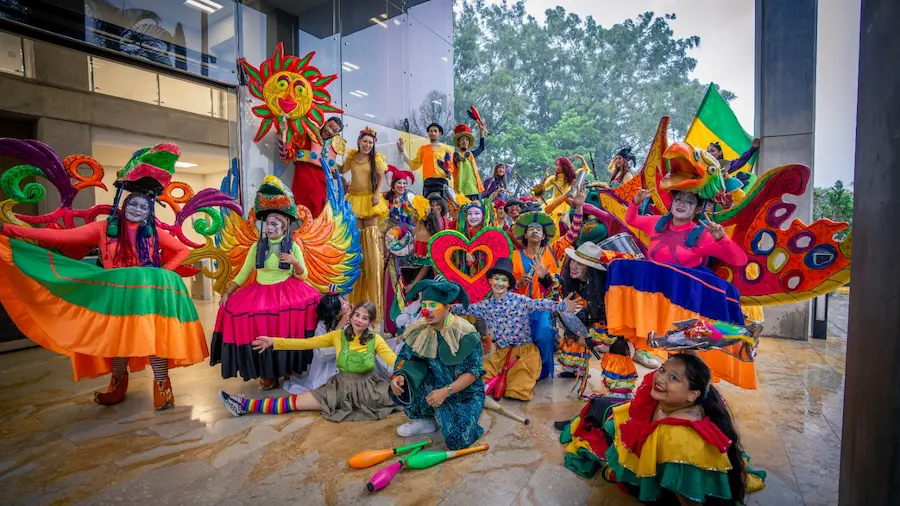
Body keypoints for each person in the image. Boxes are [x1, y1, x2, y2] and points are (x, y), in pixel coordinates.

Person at [0, 142, 207, 410]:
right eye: (134, 204)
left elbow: (182, 250)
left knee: (155, 338)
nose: (138, 210)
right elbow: (58, 237)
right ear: (124, 204)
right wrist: (9, 230)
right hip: (115, 293)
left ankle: (162, 386)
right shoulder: (103, 228)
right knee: (117, 340)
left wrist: (163, 272)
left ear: (149, 212)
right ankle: (117, 384)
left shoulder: (153, 232)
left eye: (144, 207)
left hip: (149, 294)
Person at [560, 355, 766, 503]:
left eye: (673, 378)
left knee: (594, 414)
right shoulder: (678, 397)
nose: (660, 378)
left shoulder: (679, 440)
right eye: (663, 369)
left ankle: (580, 421)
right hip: (627, 426)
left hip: (642, 462)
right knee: (599, 406)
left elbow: (689, 497)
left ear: (693, 394)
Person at [607, 185, 752, 388]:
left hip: (685, 302)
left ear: (697, 209)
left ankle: (700, 388)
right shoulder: (657, 223)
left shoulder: (701, 235)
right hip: (659, 297)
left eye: (689, 201)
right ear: (671, 203)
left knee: (687, 351)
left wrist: (722, 238)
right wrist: (636, 201)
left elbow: (739, 260)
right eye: (678, 199)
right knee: (668, 347)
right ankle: (674, 388)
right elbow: (631, 219)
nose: (682, 204)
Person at [212, 176, 322, 389]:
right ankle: (267, 372)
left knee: (290, 323)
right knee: (243, 315)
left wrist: (294, 262)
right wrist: (228, 292)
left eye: (274, 224)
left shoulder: (293, 246)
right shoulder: (257, 247)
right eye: (267, 223)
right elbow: (244, 273)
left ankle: (288, 367)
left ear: (284, 226)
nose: (269, 227)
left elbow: (303, 275)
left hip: (288, 291)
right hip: (261, 292)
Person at [219, 302, 401, 422]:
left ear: (370, 322)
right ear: (351, 316)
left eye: (365, 318)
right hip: (338, 390)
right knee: (291, 403)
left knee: (405, 396)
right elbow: (305, 343)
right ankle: (243, 405)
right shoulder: (337, 336)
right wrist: (274, 341)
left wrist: (396, 377)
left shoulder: (375, 340)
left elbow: (393, 360)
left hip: (370, 390)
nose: (359, 320)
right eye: (357, 315)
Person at [452, 258, 583, 401]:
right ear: (490, 281)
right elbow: (466, 309)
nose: (499, 283)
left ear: (509, 284)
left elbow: (540, 304)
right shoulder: (485, 306)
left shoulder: (520, 300)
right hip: (501, 354)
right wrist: (447, 307)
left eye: (504, 280)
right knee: (475, 377)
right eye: (496, 279)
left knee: (516, 389)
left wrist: (562, 306)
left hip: (524, 354)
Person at [390, 281, 484, 449]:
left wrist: (445, 392)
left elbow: (473, 372)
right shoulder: (421, 329)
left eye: (433, 305)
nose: (426, 311)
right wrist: (398, 376)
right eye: (424, 305)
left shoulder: (465, 332)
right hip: (435, 385)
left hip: (465, 394)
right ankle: (425, 419)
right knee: (407, 377)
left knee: (457, 440)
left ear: (448, 307)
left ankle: (458, 416)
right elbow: (405, 356)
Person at [510, 188, 585, 379]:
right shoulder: (514, 256)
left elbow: (573, 233)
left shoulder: (553, 250)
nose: (535, 231)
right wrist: (519, 283)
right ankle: (521, 375)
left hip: (543, 307)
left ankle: (542, 374)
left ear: (544, 236)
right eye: (531, 229)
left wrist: (579, 207)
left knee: (544, 335)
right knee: (519, 344)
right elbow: (504, 285)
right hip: (519, 309)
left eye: (539, 230)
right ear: (525, 235)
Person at [342, 127, 388, 319]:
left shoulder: (376, 158)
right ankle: (354, 303)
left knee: (372, 249)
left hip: (370, 200)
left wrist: (377, 194)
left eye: (370, 142)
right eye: (365, 141)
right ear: (359, 141)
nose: (367, 145)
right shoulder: (352, 157)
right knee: (357, 246)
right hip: (354, 200)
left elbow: (382, 178)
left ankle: (374, 304)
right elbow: (340, 170)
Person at [281, 292, 349, 394]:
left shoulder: (350, 320)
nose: (347, 304)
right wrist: (339, 328)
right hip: (327, 370)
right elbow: (323, 354)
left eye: (345, 301)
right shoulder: (321, 328)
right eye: (343, 303)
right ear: (335, 312)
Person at [278, 116, 345, 218]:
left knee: (318, 213)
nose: (330, 131)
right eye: (330, 126)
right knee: (299, 209)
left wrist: (341, 179)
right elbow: (289, 150)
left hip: (321, 184)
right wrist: (283, 136)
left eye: (334, 131)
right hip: (304, 178)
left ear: (336, 134)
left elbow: (333, 169)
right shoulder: (307, 134)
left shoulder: (333, 147)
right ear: (325, 123)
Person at [397, 123, 453, 196]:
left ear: (439, 134)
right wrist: (402, 152)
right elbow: (413, 164)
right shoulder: (423, 149)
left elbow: (450, 167)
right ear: (428, 133)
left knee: (443, 202)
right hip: (428, 183)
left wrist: (449, 172)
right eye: (431, 131)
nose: (433, 133)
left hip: (442, 182)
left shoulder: (446, 150)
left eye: (435, 131)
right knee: (427, 202)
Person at [443, 123, 486, 200]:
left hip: (473, 189)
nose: (465, 141)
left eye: (466, 140)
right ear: (459, 142)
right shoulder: (455, 154)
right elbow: (459, 158)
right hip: (461, 191)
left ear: (469, 143)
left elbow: (481, 148)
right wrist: (464, 158)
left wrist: (481, 132)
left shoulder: (471, 154)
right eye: (462, 140)